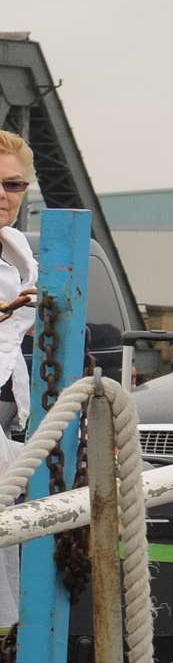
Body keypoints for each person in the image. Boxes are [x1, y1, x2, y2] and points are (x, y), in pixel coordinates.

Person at [0, 132, 38, 629]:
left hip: (9, 422)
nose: (3, 195)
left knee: (10, 550)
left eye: (14, 184)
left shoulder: (19, 251)